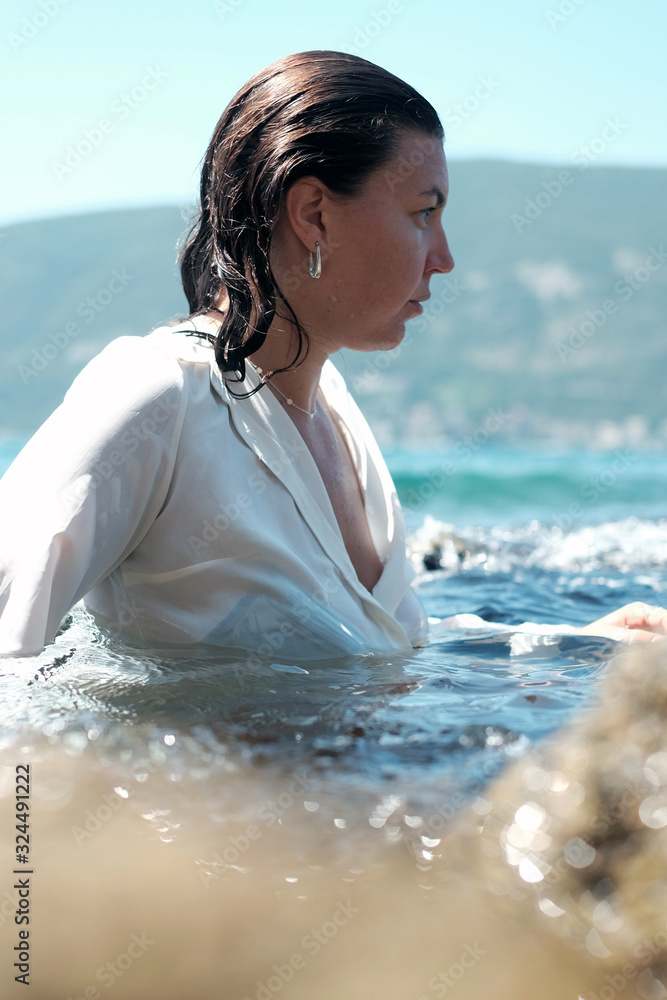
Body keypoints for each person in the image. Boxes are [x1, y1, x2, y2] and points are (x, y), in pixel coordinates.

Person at [0, 50, 665, 661]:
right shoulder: (159, 395)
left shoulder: (337, 413)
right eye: (421, 214)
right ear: (313, 214)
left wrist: (573, 644)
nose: (445, 257)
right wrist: (33, 796)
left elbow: (378, 652)